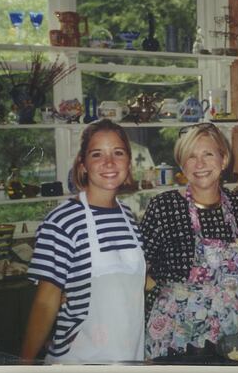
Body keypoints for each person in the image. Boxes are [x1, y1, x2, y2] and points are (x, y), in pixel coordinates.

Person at [20, 119, 145, 364]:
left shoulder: (128, 217)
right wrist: (23, 364)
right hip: (79, 360)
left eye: (118, 153)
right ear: (83, 164)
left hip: (130, 358)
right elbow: (46, 302)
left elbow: (132, 284)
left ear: (128, 162)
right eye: (97, 154)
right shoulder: (63, 220)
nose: (109, 162)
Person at [141, 123, 238, 359]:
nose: (199, 164)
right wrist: (165, 294)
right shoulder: (164, 206)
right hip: (178, 329)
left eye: (208, 154)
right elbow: (136, 266)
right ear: (182, 165)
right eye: (191, 156)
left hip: (233, 325)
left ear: (223, 160)